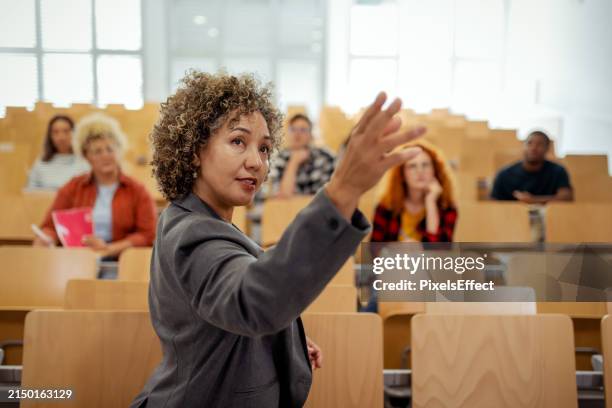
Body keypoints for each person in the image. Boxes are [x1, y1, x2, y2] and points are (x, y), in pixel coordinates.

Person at [130, 71, 425, 408]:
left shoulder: (198, 220)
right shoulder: (193, 233)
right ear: (195, 150)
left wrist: (284, 340)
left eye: (265, 148)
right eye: (238, 141)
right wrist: (342, 189)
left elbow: (226, 315)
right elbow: (252, 302)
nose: (257, 162)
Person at [34, 113, 157, 258]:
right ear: (86, 156)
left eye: (110, 149)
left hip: (120, 261)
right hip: (79, 260)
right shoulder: (73, 188)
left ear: (119, 151)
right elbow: (50, 226)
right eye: (97, 151)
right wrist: (47, 238)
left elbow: (148, 234)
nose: (105, 155)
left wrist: (110, 249)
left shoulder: (137, 190)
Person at [371, 141, 458, 243]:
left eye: (425, 165)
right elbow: (373, 251)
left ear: (435, 170)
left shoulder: (447, 208)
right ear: (402, 173)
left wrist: (431, 202)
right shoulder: (385, 207)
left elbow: (440, 251)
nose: (420, 171)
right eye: (412, 166)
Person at [490, 130, 573, 203]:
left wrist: (534, 200)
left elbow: (566, 197)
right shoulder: (504, 174)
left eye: (539, 144)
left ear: (547, 148)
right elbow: (494, 203)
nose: (534, 148)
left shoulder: (558, 171)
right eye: (529, 143)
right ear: (523, 146)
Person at [269, 113, 336, 197]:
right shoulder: (279, 158)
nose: (297, 134)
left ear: (311, 135)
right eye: (293, 129)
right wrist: (294, 162)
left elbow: (327, 196)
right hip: (289, 209)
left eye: (303, 130)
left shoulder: (325, 157)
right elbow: (283, 196)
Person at [26, 115, 90, 190]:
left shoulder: (84, 163)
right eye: (56, 132)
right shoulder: (41, 163)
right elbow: (30, 192)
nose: (61, 137)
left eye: (66, 131)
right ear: (50, 136)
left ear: (74, 133)